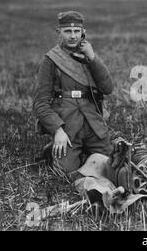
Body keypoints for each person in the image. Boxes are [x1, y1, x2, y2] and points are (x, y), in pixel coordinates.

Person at [33, 11, 113, 175]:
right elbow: (40, 103)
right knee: (66, 174)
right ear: (59, 32)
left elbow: (107, 88)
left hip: (92, 122)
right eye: (68, 31)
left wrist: (92, 58)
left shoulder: (88, 56)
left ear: (83, 32)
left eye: (77, 31)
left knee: (112, 166)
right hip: (67, 125)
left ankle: (84, 150)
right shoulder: (51, 60)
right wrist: (57, 131)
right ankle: (52, 150)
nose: (73, 36)